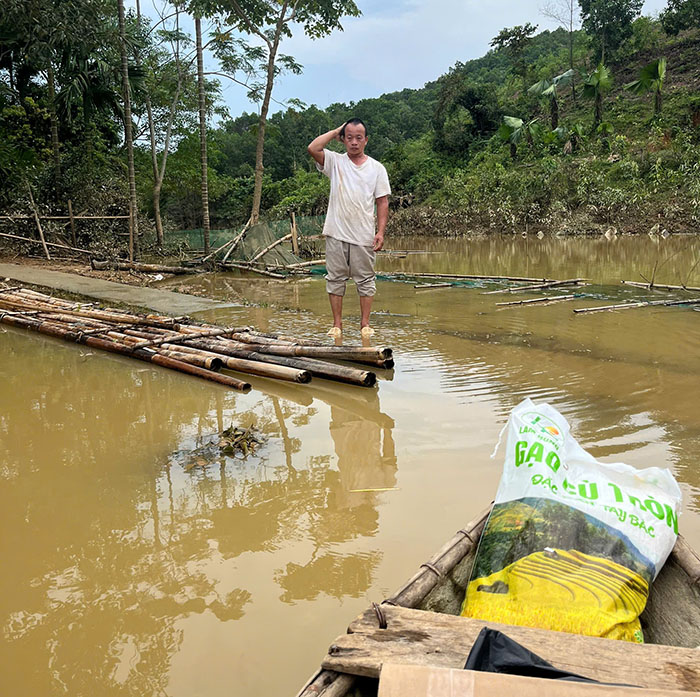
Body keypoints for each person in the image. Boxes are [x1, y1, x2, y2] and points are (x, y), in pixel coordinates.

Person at [307, 119, 391, 337]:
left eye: (359, 138)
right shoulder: (335, 162)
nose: (354, 142)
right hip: (336, 232)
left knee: (366, 280)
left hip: (364, 234)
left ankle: (365, 325)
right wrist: (336, 130)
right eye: (349, 137)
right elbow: (313, 148)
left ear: (366, 140)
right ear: (343, 140)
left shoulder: (377, 169)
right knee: (335, 279)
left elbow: (382, 202)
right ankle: (337, 324)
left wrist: (380, 232)